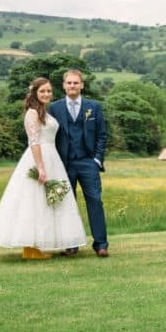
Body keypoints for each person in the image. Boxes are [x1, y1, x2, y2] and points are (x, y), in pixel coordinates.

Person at [0, 77, 86, 259]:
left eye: (48, 91)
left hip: (52, 157)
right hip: (39, 158)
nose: (46, 94)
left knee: (45, 203)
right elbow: (34, 141)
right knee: (32, 202)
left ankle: (36, 246)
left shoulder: (44, 112)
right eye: (42, 91)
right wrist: (41, 167)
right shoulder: (32, 113)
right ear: (34, 93)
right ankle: (29, 248)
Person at [49, 69, 109, 257]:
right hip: (64, 164)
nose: (72, 86)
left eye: (76, 83)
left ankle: (101, 245)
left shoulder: (94, 107)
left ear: (81, 85)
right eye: (69, 83)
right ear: (64, 85)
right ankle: (71, 244)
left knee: (95, 201)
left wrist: (97, 160)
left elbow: (101, 135)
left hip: (88, 162)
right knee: (68, 205)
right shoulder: (54, 108)